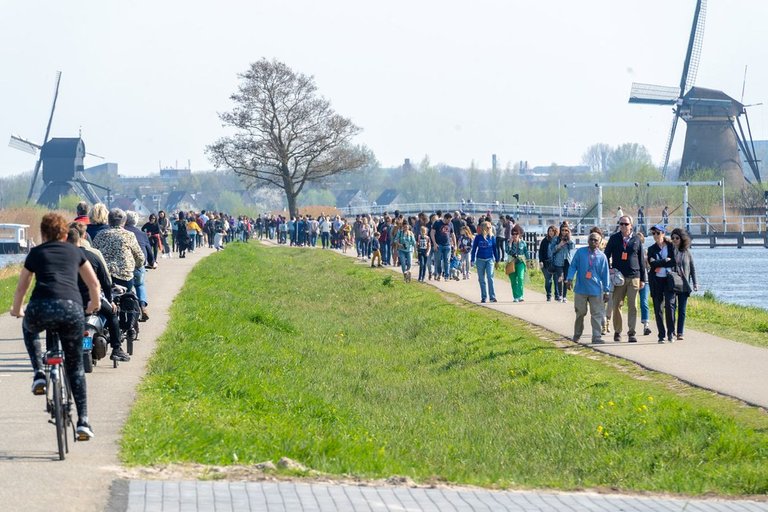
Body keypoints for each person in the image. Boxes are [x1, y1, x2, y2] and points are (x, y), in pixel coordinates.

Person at [10, 213, 100, 440]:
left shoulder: (36, 253)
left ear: (43, 233)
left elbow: (22, 288)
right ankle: (83, 422)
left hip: (41, 307)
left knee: (29, 329)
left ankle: (39, 373)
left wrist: (17, 309)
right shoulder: (76, 252)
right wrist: (94, 303)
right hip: (71, 309)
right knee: (75, 367)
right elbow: (93, 283)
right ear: (63, 233)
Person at [67, 223, 129, 362]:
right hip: (91, 300)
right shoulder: (92, 256)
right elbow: (105, 281)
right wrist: (110, 300)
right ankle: (116, 349)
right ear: (83, 237)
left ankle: (51, 350)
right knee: (112, 315)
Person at [604, 215, 647, 343]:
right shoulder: (614, 238)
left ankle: (632, 333)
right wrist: (609, 269)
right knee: (617, 304)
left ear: (631, 226)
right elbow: (606, 255)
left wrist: (643, 279)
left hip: (634, 276)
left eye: (625, 224)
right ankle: (618, 331)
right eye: (621, 224)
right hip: (618, 277)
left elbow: (641, 260)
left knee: (633, 306)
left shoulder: (636, 239)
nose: (623, 226)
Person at [566, 231, 610, 344]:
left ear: (599, 242)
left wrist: (607, 291)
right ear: (588, 240)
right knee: (580, 312)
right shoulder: (580, 252)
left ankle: (596, 336)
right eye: (591, 239)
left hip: (596, 290)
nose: (593, 242)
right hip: (581, 289)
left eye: (596, 240)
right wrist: (569, 279)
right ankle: (577, 334)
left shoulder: (602, 257)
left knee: (596, 314)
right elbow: (573, 266)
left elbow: (605, 275)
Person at [92, 208, 146, 291]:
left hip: (105, 276)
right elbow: (139, 256)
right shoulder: (129, 235)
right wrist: (138, 265)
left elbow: (93, 254)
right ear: (124, 222)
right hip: (124, 277)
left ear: (109, 221)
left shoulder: (100, 235)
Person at [647, 224, 676, 343]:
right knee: (658, 308)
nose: (655, 236)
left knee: (670, 306)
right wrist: (664, 261)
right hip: (656, 281)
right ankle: (661, 334)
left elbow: (673, 262)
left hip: (668, 280)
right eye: (653, 233)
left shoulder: (671, 246)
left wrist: (659, 263)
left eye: (658, 233)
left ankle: (670, 333)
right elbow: (652, 264)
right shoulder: (651, 249)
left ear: (663, 233)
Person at [670, 228, 698, 341]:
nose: (675, 240)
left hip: (684, 284)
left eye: (677, 238)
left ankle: (680, 332)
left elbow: (692, 268)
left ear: (682, 239)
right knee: (671, 308)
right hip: (672, 283)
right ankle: (671, 331)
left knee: (682, 310)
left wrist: (695, 283)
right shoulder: (669, 251)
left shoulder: (687, 252)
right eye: (672, 238)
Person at [470, 221, 499, 303]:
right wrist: (472, 260)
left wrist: (497, 260)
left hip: (489, 259)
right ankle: (484, 297)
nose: (489, 229)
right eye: (488, 227)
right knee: (481, 279)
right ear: (483, 228)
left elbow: (494, 249)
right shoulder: (478, 237)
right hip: (480, 260)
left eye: (490, 227)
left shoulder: (492, 237)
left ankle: (492, 297)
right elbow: (474, 249)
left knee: (490, 277)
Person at [549, 222, 574, 303]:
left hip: (567, 260)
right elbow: (552, 250)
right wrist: (559, 244)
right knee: (560, 277)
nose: (564, 232)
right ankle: (560, 295)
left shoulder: (569, 239)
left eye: (566, 230)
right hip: (558, 261)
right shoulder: (556, 239)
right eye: (563, 230)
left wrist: (568, 240)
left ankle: (565, 296)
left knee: (566, 279)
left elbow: (572, 247)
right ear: (560, 230)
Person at [430, 212, 457, 281]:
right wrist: (434, 243)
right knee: (438, 260)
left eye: (450, 220)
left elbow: (452, 234)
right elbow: (432, 233)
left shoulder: (451, 224)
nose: (449, 221)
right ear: (445, 218)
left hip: (447, 245)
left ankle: (446, 276)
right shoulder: (437, 223)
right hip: (439, 245)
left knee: (447, 261)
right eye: (448, 220)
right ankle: (439, 273)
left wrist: (455, 244)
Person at [636, 232, 652, 336]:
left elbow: (650, 268)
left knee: (644, 302)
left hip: (645, 280)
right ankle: (630, 326)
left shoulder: (646, 253)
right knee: (632, 304)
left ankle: (646, 324)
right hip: (633, 279)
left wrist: (647, 261)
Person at [506, 225, 527, 302]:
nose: (514, 235)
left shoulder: (523, 243)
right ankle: (515, 296)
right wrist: (510, 244)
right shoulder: (509, 242)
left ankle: (520, 295)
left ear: (519, 234)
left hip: (520, 262)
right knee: (513, 280)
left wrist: (528, 261)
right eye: (513, 234)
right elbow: (507, 251)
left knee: (521, 278)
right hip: (511, 263)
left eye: (516, 234)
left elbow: (526, 252)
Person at [538, 225, 558, 302]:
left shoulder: (557, 241)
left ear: (555, 232)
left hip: (556, 263)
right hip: (546, 263)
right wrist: (541, 261)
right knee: (548, 280)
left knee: (556, 279)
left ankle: (557, 295)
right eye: (549, 231)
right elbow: (540, 252)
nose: (551, 232)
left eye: (552, 231)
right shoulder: (544, 241)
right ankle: (548, 295)